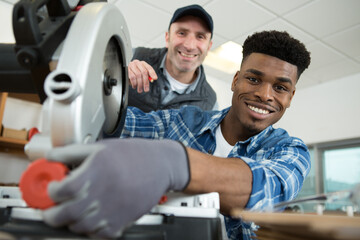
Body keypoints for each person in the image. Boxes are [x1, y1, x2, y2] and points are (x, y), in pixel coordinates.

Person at [42, 30, 311, 240]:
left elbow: (268, 188)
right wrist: (110, 79)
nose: (265, 95)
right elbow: (109, 122)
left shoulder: (291, 151)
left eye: (280, 87)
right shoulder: (183, 121)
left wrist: (173, 162)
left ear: (291, 96)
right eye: (253, 79)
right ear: (235, 80)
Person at [127, 4, 217, 112]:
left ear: (208, 47)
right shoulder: (133, 55)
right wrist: (119, 74)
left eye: (200, 36)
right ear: (167, 38)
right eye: (182, 33)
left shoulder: (210, 103)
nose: (190, 46)